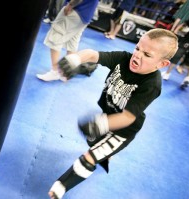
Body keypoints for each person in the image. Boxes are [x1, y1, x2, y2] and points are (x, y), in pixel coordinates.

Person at [48, 28, 178, 199]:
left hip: (124, 129)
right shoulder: (124, 59)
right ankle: (106, 154)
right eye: (138, 48)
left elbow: (128, 117)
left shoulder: (151, 84)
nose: (137, 56)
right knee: (92, 142)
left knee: (91, 156)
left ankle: (60, 187)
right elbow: (93, 55)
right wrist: (76, 58)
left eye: (147, 55)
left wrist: (100, 124)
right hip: (108, 114)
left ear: (161, 64)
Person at [36, 0, 99, 82]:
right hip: (86, 12)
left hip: (76, 9)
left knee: (56, 36)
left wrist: (70, 5)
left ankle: (55, 71)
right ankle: (66, 72)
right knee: (72, 41)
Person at [162, 14, 189, 89]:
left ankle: (167, 74)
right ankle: (188, 78)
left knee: (178, 54)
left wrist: (177, 29)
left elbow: (188, 23)